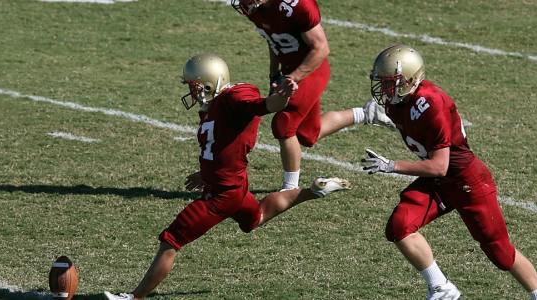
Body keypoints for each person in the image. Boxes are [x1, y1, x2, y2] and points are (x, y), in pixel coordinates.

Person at [103, 54, 351, 300]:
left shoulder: (234, 97)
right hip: (234, 186)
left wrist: (281, 96)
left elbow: (265, 106)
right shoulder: (213, 106)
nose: (192, 92)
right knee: (256, 218)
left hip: (221, 195)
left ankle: (134, 297)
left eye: (195, 86)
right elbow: (223, 143)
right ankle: (315, 191)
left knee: (171, 240)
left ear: (211, 82)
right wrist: (207, 171)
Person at [361, 44, 537, 300]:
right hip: (439, 182)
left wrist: (391, 165)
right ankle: (442, 288)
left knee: (500, 253)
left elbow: (439, 165)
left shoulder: (432, 103)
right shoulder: (396, 102)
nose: (385, 89)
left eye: (390, 82)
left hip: (466, 180)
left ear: (409, 79)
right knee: (400, 226)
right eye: (383, 82)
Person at [231, 0, 391, 191]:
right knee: (308, 135)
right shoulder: (256, 8)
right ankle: (367, 113)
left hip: (312, 70)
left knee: (283, 125)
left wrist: (293, 77)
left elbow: (321, 48)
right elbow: (273, 41)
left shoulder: (297, 5)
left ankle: (290, 188)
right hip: (291, 70)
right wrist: (274, 73)